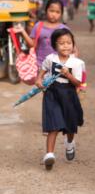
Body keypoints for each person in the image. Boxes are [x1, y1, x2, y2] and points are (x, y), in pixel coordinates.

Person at [36, 28, 85, 170]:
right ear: (54, 45)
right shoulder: (50, 59)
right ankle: (49, 154)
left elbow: (78, 83)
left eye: (69, 43)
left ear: (73, 44)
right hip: (52, 93)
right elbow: (43, 70)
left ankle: (70, 142)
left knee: (70, 125)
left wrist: (68, 75)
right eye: (61, 43)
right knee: (53, 125)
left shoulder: (76, 63)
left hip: (69, 94)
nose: (66, 46)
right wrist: (39, 79)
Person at [14, 0, 70, 68]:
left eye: (57, 12)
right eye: (51, 11)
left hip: (60, 68)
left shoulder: (64, 29)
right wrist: (23, 32)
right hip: (40, 66)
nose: (54, 14)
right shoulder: (38, 26)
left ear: (61, 14)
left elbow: (72, 49)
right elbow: (32, 45)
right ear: (46, 10)